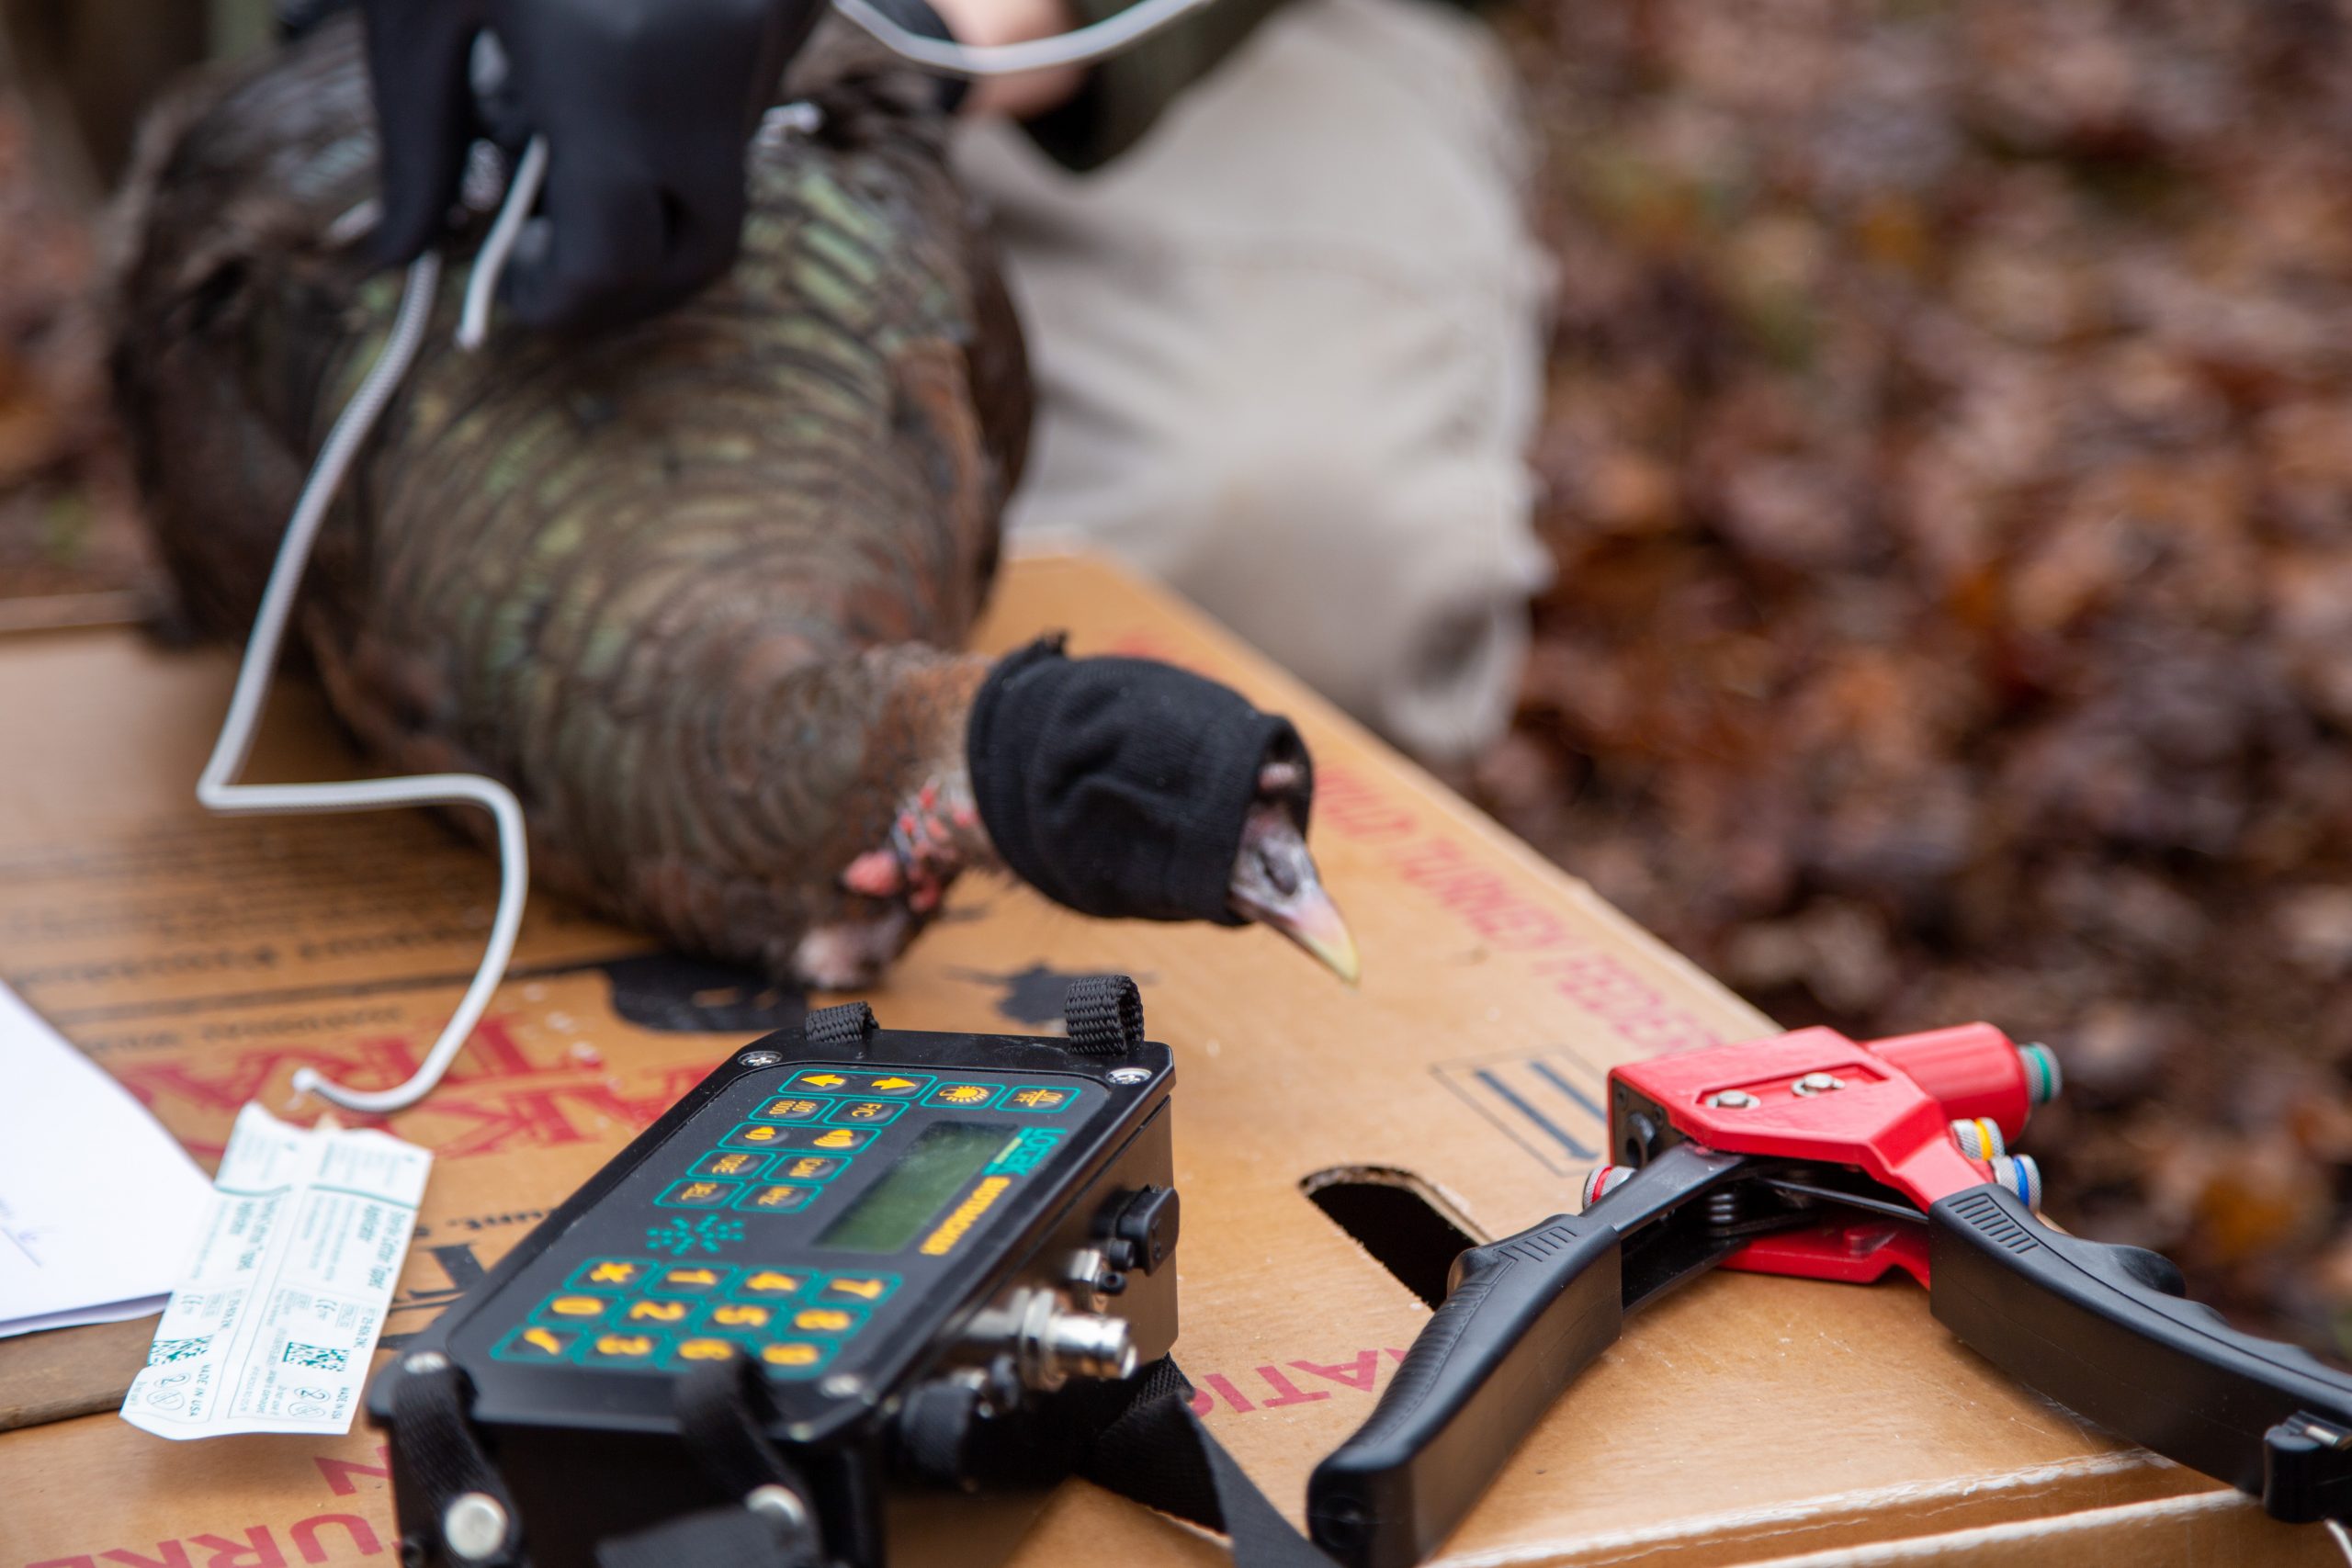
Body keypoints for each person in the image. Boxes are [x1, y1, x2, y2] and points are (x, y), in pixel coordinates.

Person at [17, 0, 1554, 761]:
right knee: (435, 617)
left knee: (1273, 542)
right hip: (397, 53)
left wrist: (906, 22)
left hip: (1084, 57)